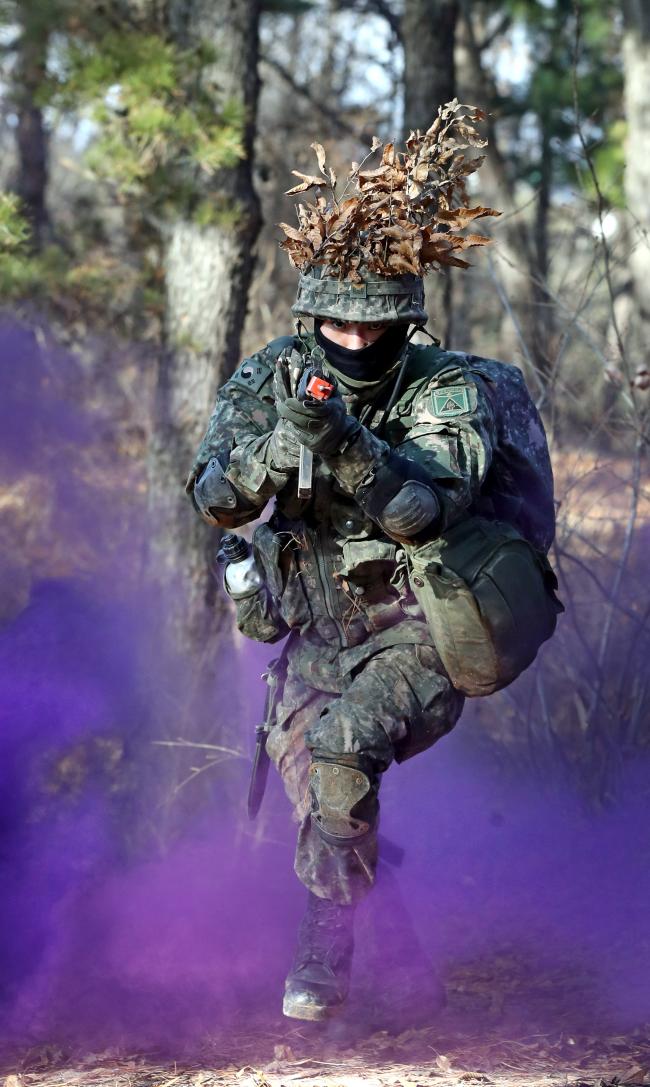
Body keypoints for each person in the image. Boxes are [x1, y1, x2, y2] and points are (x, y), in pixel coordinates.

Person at [186, 106, 559, 1022]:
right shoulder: (272, 373)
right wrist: (283, 443)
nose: (353, 348)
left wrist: (345, 441)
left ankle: (324, 964)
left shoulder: (452, 389)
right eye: (336, 332)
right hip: (316, 631)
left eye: (373, 334)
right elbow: (214, 495)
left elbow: (425, 507)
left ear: (404, 326)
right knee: (323, 803)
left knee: (348, 750)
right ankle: (413, 985)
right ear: (311, 321)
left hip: (420, 629)